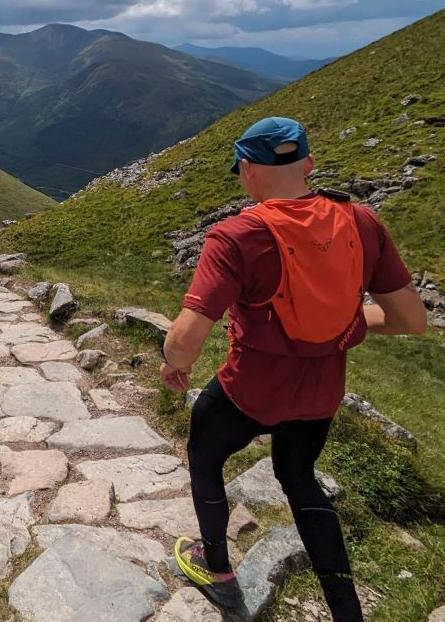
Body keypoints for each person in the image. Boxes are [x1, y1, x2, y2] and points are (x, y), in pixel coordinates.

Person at [160, 116, 428, 621]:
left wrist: (174, 366)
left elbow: (184, 338)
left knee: (205, 454)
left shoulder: (236, 236)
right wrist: (345, 323)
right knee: (299, 478)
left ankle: (216, 569)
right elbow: (411, 320)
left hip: (248, 391)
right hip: (321, 393)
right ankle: (347, 611)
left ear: (246, 170)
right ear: (308, 163)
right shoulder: (362, 221)